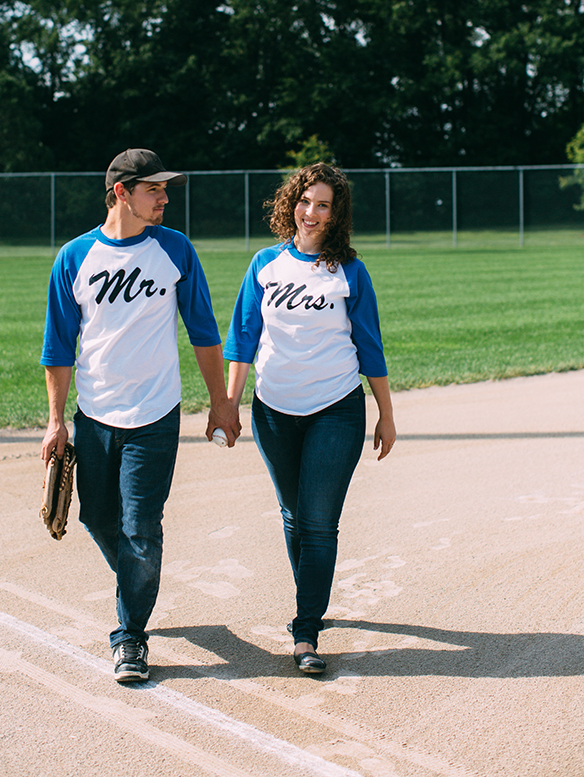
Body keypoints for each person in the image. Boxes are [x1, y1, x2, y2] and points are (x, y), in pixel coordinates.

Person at [40, 148, 237, 684]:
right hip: (95, 415)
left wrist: (221, 402)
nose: (166, 197)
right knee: (96, 520)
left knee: (141, 530)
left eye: (166, 189)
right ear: (122, 192)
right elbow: (58, 348)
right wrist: (57, 421)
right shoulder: (74, 258)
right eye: (155, 189)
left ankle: (130, 637)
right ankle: (137, 581)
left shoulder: (174, 250)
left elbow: (203, 332)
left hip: (156, 414)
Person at [224, 162, 395, 675]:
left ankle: (305, 630)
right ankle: (312, 600)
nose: (311, 212)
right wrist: (228, 403)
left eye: (323, 204)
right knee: (294, 516)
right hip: (273, 411)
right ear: (290, 204)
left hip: (336, 408)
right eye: (305, 201)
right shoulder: (265, 265)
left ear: (335, 213)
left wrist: (386, 413)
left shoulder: (350, 271)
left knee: (319, 524)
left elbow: (370, 345)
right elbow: (243, 339)